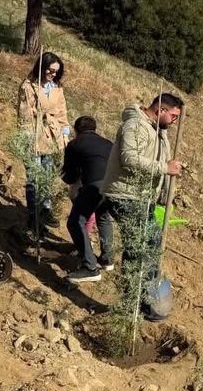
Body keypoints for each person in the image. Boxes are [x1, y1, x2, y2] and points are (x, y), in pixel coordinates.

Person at [98, 93, 183, 285]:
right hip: (125, 195)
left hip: (141, 197)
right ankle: (134, 297)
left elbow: (159, 161)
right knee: (138, 246)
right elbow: (129, 159)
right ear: (160, 110)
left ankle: (142, 292)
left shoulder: (159, 130)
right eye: (173, 116)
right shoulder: (135, 126)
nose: (175, 121)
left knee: (149, 242)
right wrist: (164, 167)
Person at [16, 52, 70, 238]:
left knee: (47, 179)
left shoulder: (57, 89)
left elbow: (63, 116)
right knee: (34, 179)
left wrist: (64, 137)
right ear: (41, 66)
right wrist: (28, 139)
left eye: (56, 71)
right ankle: (33, 217)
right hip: (35, 136)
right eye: (50, 69)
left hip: (52, 138)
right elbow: (24, 117)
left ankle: (44, 213)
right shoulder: (28, 86)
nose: (53, 74)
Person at [62, 116, 114, 283]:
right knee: (104, 217)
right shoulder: (109, 144)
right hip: (113, 187)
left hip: (94, 185)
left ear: (76, 131)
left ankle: (90, 267)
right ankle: (107, 259)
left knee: (75, 221)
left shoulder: (75, 144)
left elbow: (70, 177)